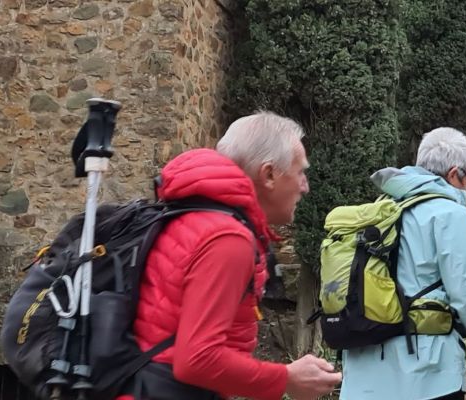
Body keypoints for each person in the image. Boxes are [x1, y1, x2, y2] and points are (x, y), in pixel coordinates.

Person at [119, 112, 340, 400]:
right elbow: (196, 359)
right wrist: (286, 378)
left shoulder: (191, 215)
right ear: (269, 174)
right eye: (300, 173)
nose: (305, 186)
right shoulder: (227, 239)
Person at [339, 128, 466, 400]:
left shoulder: (378, 211)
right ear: (454, 174)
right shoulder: (450, 214)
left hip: (362, 378)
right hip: (429, 376)